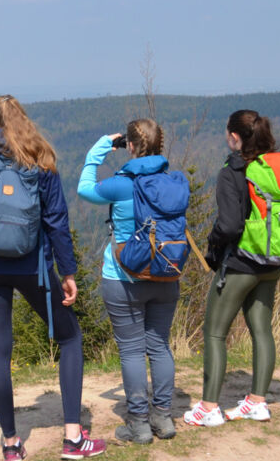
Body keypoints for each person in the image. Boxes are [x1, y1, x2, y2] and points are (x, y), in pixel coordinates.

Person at [0, 95, 106, 461]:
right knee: (70, 337)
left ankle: (10, 444)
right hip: (33, 269)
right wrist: (67, 272)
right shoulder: (42, 163)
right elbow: (57, 222)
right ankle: (73, 438)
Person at [76, 119, 179, 444]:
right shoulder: (171, 183)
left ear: (130, 146)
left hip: (123, 277)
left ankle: (139, 425)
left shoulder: (122, 184)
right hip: (165, 272)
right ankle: (163, 418)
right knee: (160, 347)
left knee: (132, 352)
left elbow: (84, 188)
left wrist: (101, 147)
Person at [184, 109, 280, 427]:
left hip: (240, 264)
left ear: (234, 137)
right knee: (262, 330)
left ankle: (209, 407)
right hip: (272, 262)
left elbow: (228, 226)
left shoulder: (232, 172)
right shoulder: (272, 168)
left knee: (214, 333)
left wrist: (212, 246)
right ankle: (257, 402)